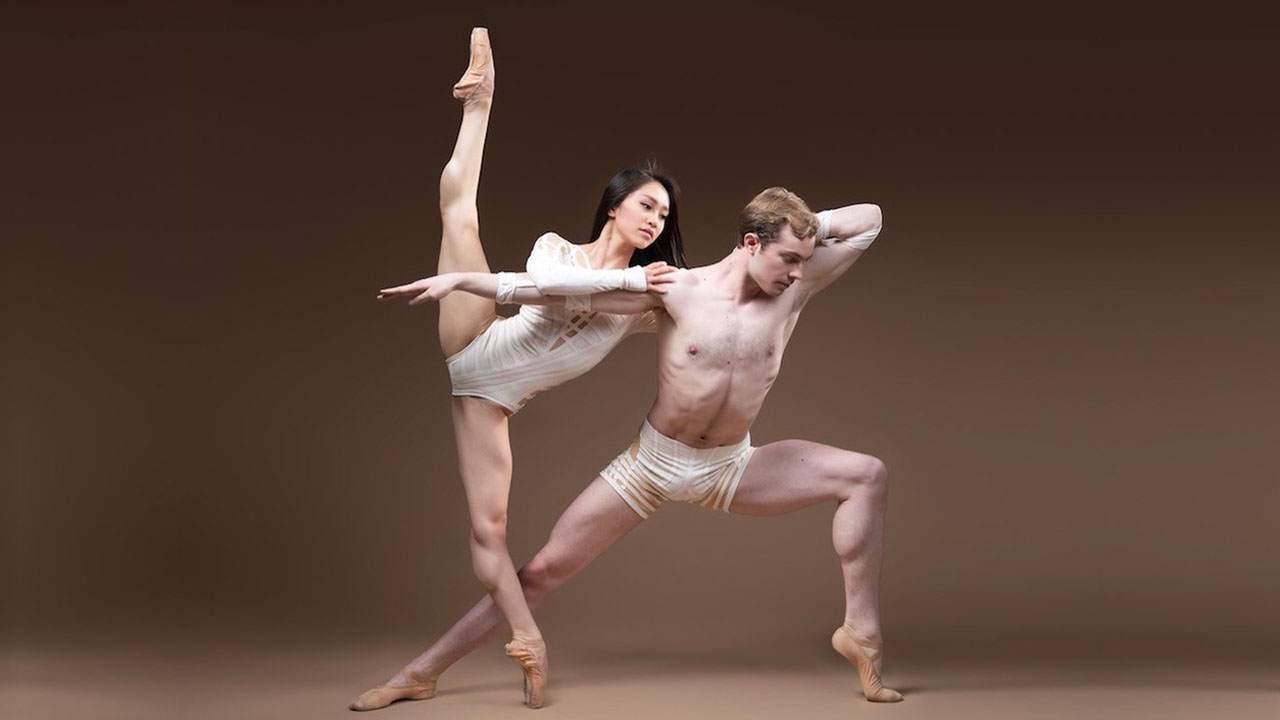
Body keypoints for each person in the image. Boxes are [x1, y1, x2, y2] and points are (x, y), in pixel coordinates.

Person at [372, 187, 903, 706]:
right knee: (539, 574)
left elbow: (871, 217)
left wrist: (806, 226)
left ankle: (861, 634)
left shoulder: (796, 287)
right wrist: (463, 281)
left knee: (866, 476)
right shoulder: (676, 288)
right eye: (787, 257)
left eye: (802, 260)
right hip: (649, 467)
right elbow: (554, 291)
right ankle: (421, 672)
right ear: (749, 243)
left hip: (731, 466)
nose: (795, 271)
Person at [350, 28, 687, 711]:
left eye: (665, 214)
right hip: (475, 337)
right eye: (647, 204)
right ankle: (480, 103)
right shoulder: (556, 249)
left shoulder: (647, 300)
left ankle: (504, 649)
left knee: (492, 534)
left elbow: (715, 295)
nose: (656, 218)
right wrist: (461, 286)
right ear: (615, 203)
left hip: (492, 399)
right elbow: (544, 284)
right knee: (458, 212)